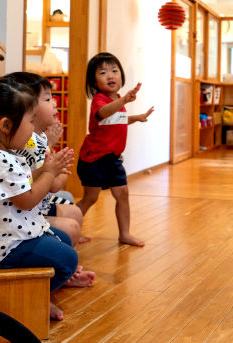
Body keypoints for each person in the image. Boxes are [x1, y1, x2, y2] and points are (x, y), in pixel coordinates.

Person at [0, 78, 95, 321]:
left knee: (66, 240)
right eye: (29, 121)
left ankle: (51, 282)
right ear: (6, 126)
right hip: (6, 248)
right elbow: (27, 199)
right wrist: (49, 173)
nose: (32, 129)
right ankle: (40, 295)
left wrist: (46, 169)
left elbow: (25, 181)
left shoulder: (4, 153)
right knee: (69, 258)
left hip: (20, 235)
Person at [75, 52, 154, 247]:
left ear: (121, 77)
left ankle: (124, 234)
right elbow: (104, 113)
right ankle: (69, 230)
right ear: (94, 82)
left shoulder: (117, 99)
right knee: (90, 198)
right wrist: (124, 101)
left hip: (112, 159)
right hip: (93, 159)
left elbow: (116, 120)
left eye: (114, 70)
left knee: (122, 193)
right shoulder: (100, 100)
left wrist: (137, 117)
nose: (110, 75)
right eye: (103, 72)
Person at [4, 72, 90, 245]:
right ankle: (68, 251)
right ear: (29, 107)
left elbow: (46, 168)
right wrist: (62, 167)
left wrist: (51, 146)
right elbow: (55, 185)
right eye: (48, 99)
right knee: (72, 223)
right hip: (30, 212)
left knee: (74, 211)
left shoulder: (38, 136)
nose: (55, 103)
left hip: (37, 204)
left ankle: (69, 244)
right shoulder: (30, 142)